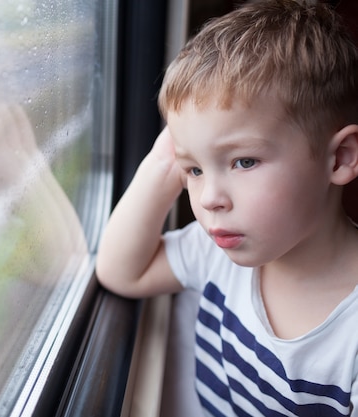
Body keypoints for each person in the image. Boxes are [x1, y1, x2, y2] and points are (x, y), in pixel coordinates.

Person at [96, 0, 358, 415]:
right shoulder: (216, 252)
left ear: (340, 158)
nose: (207, 198)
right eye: (195, 170)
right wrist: (166, 162)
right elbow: (122, 271)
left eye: (244, 161)